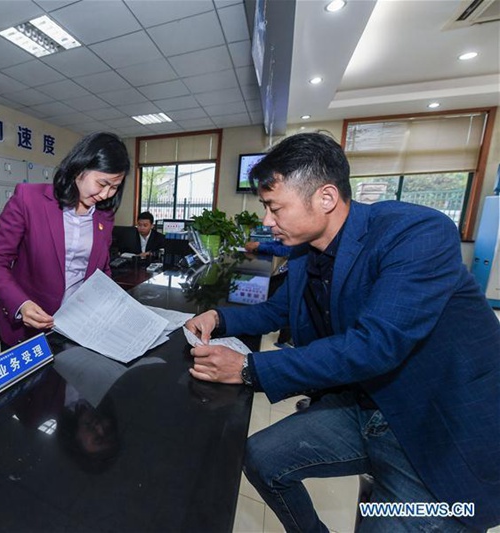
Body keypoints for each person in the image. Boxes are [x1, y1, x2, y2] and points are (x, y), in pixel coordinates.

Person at [184, 132, 500, 531]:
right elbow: (278, 311)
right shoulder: (306, 252)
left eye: (274, 207)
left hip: (436, 428)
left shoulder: (416, 233)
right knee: (262, 458)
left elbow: (376, 345)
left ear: (326, 198)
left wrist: (249, 369)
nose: (267, 221)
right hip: (364, 408)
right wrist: (219, 318)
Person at [0, 132, 130, 347]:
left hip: (78, 324)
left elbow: (101, 269)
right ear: (79, 168)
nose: (107, 194)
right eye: (102, 183)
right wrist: (21, 304)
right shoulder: (29, 199)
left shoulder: (104, 215)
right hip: (30, 324)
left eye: (115, 187)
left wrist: (112, 303)